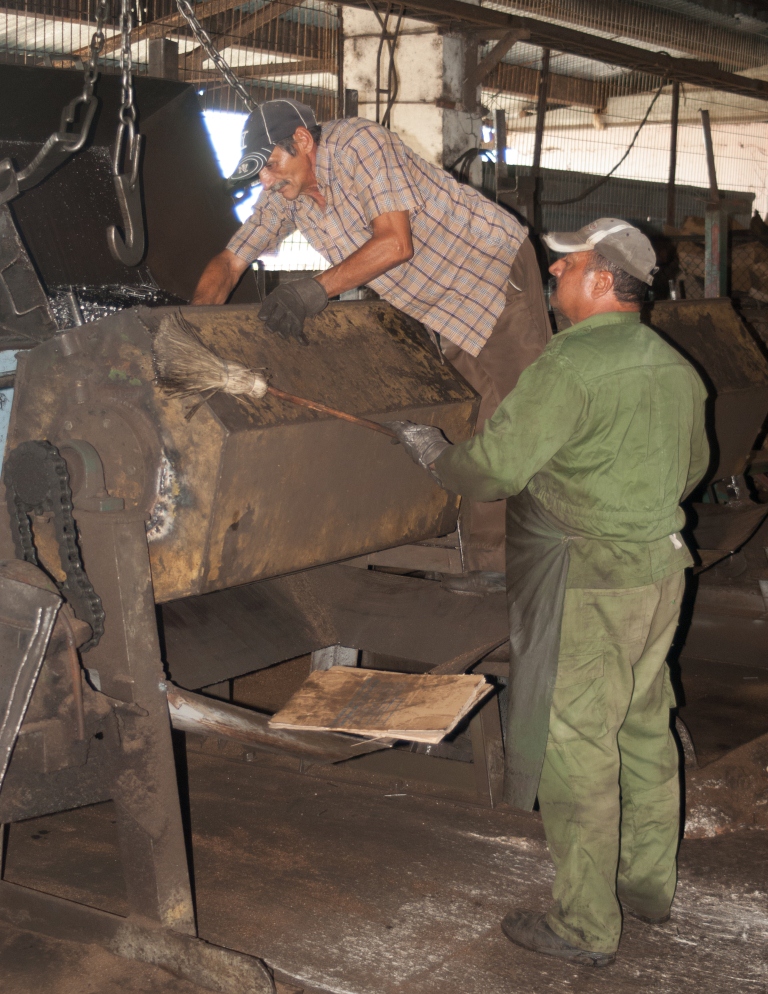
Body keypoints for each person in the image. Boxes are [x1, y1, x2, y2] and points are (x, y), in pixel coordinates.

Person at [385, 218, 709, 967]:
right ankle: (649, 886)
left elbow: (495, 471)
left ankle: (587, 927)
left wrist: (438, 456)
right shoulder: (673, 365)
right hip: (659, 574)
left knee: (580, 749)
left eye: (566, 268)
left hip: (592, 585)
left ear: (602, 281)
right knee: (643, 725)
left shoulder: (569, 367)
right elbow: (691, 468)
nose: (553, 278)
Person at [192, 98, 552, 586]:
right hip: (439, 305)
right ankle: (492, 566)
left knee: (532, 416)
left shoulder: (358, 144)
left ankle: (574, 549)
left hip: (487, 272)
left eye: (271, 166)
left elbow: (395, 243)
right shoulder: (287, 191)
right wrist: (192, 331)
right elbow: (231, 261)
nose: (267, 183)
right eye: (260, 175)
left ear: (302, 141)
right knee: (477, 423)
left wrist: (313, 290)